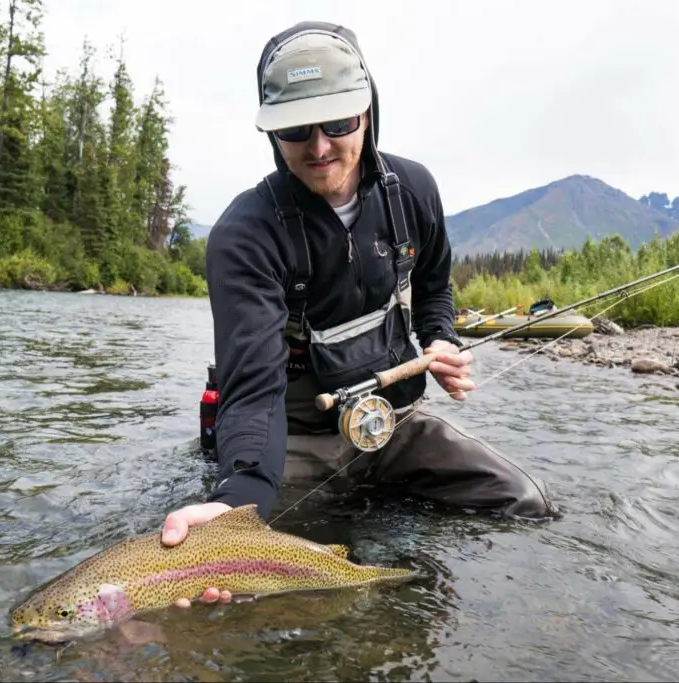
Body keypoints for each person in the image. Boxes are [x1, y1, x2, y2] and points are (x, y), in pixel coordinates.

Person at [160, 21, 558, 608]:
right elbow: (253, 388)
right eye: (296, 129)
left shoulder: (413, 191)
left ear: (367, 113)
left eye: (338, 123)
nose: (319, 147)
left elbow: (433, 288)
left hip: (390, 425)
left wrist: (439, 338)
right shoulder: (244, 234)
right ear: (272, 132)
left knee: (526, 503)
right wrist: (238, 494)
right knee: (265, 587)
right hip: (292, 438)